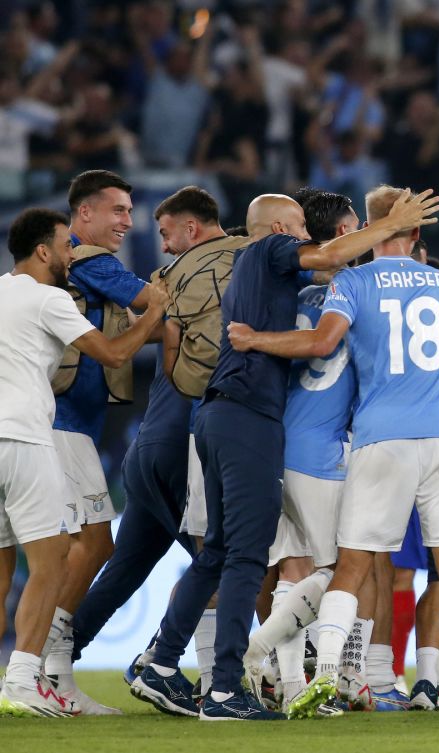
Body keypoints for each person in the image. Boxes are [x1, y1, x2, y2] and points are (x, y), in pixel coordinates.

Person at [129, 188, 439, 722]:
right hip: (250, 419)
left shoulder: (275, 277)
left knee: (222, 553)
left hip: (225, 415)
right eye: (298, 229)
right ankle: (228, 685)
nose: (305, 240)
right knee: (252, 557)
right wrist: (391, 228)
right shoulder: (267, 252)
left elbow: (326, 274)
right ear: (278, 231)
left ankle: (160, 660)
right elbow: (327, 259)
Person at [228, 186, 439, 719]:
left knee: (349, 566)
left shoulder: (349, 282)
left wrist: (254, 338)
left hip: (376, 439)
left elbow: (323, 343)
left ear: (364, 232)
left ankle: (327, 676)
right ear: (417, 233)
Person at [0, 208, 167, 717]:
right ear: (44, 251)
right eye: (65, 246)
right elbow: (114, 355)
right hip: (25, 439)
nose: (73, 256)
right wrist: (155, 310)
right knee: (50, 564)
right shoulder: (49, 297)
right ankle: (25, 678)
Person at [69, 187, 231, 677]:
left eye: (164, 234)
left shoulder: (171, 283)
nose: (161, 246)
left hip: (148, 448)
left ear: (191, 229)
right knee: (219, 562)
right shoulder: (239, 272)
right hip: (183, 446)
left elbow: (151, 322)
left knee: (122, 573)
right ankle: (175, 668)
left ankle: (52, 660)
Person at [235, 191, 360, 715]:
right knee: (339, 570)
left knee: (292, 568)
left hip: (274, 440)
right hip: (319, 450)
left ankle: (290, 688)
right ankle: (256, 650)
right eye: (354, 229)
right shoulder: (356, 295)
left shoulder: (290, 295)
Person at [42, 170, 161, 716]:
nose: (127, 222)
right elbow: (153, 302)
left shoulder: (77, 272)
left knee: (66, 548)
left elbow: (147, 320)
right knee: (94, 544)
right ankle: (51, 664)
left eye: (130, 212)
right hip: (61, 427)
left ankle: (40, 666)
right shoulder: (90, 261)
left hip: (66, 426)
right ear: (83, 215)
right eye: (117, 210)